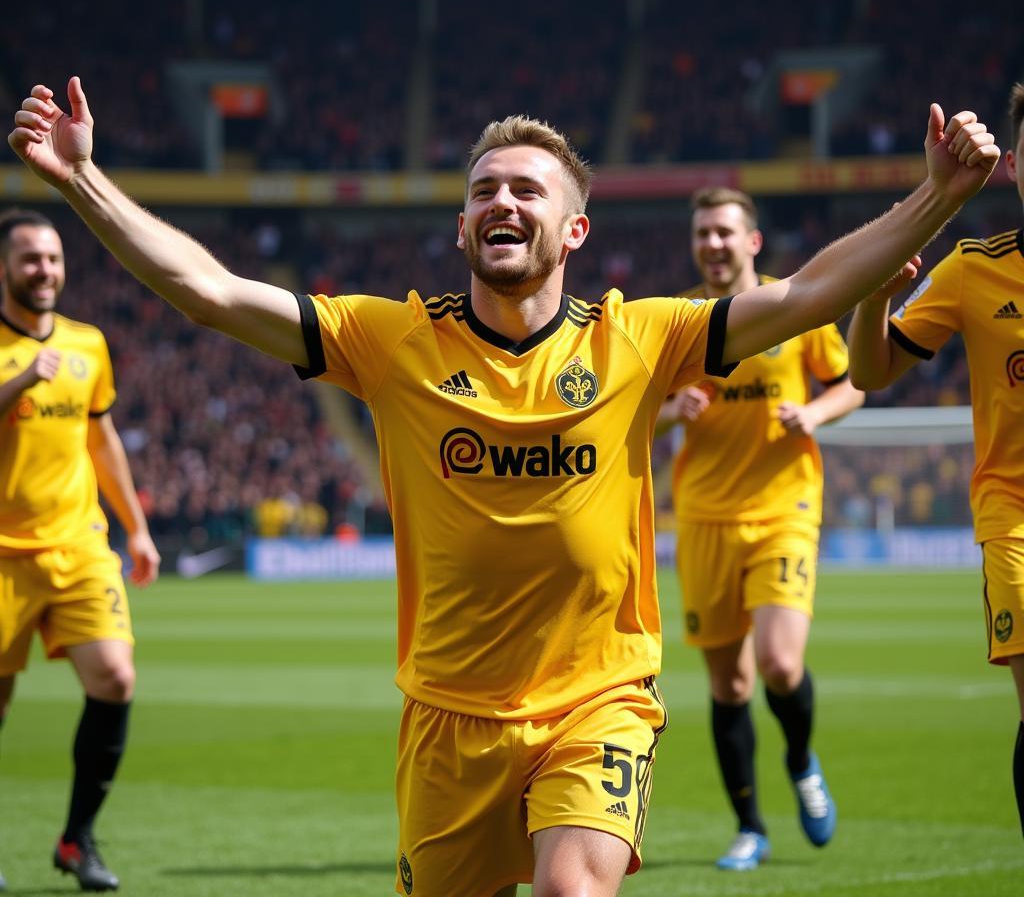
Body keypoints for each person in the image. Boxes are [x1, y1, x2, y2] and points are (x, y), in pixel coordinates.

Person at [8, 78, 998, 897]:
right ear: (460, 226)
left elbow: (807, 293)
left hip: (596, 697)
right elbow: (210, 291)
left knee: (575, 888)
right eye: (484, 190)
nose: (502, 203)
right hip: (447, 716)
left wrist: (937, 198)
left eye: (527, 190)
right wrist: (85, 180)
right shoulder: (388, 341)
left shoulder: (642, 337)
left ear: (572, 231)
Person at [658, 187, 863, 870]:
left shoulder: (791, 308)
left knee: (778, 662)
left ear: (751, 242)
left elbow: (854, 380)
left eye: (724, 231)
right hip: (705, 518)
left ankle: (801, 760)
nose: (712, 243)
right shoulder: (679, 321)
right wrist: (668, 411)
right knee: (730, 685)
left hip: (784, 507)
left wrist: (816, 415)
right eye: (702, 234)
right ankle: (751, 827)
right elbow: (630, 413)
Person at [847, 81, 1024, 840]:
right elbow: (870, 372)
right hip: (1015, 515)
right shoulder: (974, 270)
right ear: (1014, 167)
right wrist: (873, 298)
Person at [0, 208, 160, 893]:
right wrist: (20, 381)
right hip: (2, 556)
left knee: (116, 679)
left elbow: (101, 439)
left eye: (54, 258)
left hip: (76, 543)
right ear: (5, 268)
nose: (45, 270)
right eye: (31, 258)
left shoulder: (87, 344)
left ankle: (77, 838)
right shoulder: (22, 356)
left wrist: (137, 525)